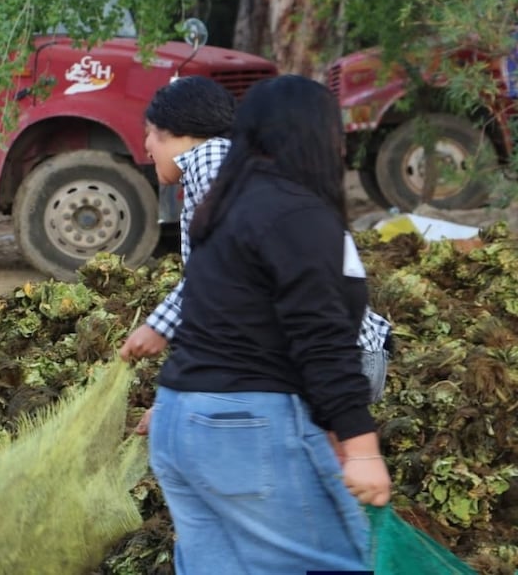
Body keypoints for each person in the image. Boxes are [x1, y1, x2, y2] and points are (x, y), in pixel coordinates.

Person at [141, 75, 391, 573]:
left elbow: (217, 318)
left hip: (180, 423)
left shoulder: (223, 209)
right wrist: (361, 448)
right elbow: (322, 340)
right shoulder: (297, 213)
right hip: (245, 427)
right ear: (316, 136)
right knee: (333, 566)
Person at [120, 76, 393, 433]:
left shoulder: (210, 160)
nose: (146, 147)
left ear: (179, 132)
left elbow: (221, 271)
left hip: (330, 365)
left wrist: (161, 331)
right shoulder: (236, 170)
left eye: (151, 132)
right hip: (343, 361)